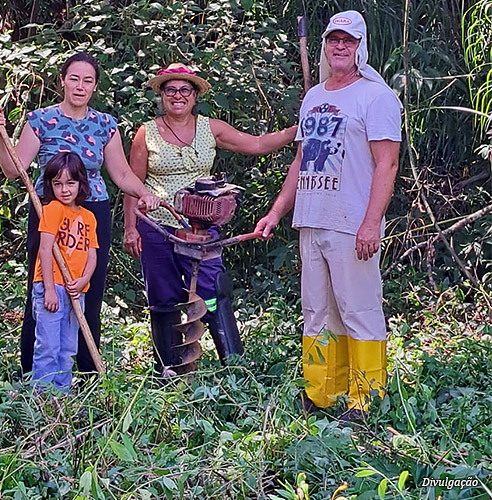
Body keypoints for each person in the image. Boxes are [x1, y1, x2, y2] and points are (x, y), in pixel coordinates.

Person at [254, 11, 402, 420]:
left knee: (359, 310)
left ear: (361, 47)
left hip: (352, 222)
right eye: (334, 39)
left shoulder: (376, 96)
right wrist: (276, 212)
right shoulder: (315, 96)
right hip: (312, 218)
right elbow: (301, 160)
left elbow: (387, 165)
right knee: (318, 311)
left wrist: (371, 222)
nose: (340, 46)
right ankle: (321, 393)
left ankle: (365, 399)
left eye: (349, 40)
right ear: (325, 45)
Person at [0, 53, 160, 376]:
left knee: (86, 292)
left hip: (91, 213)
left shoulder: (105, 124)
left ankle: (86, 374)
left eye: (88, 80)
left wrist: (145, 193)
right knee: (42, 288)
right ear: (63, 80)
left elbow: (120, 174)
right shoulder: (40, 119)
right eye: (74, 79)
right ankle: (35, 372)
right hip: (49, 213)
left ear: (95, 86)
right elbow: (14, 169)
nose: (80, 86)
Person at [122, 62, 297, 372]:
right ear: (161, 95)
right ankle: (170, 372)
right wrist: (131, 228)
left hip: (201, 226)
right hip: (157, 226)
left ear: (195, 95)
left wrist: (297, 131)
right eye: (171, 90)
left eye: (185, 90)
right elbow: (131, 183)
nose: (178, 96)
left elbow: (256, 144)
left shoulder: (210, 128)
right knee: (163, 297)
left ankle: (235, 370)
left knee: (214, 290)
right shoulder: (145, 133)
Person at [31, 151, 98, 391]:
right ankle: (40, 398)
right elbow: (45, 249)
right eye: (57, 183)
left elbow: (92, 253)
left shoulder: (89, 217)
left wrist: (84, 280)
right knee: (48, 346)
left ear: (81, 183)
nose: (65, 189)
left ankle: (62, 398)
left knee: (68, 348)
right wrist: (48, 288)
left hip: (76, 290)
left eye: (70, 183)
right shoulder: (52, 210)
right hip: (52, 288)